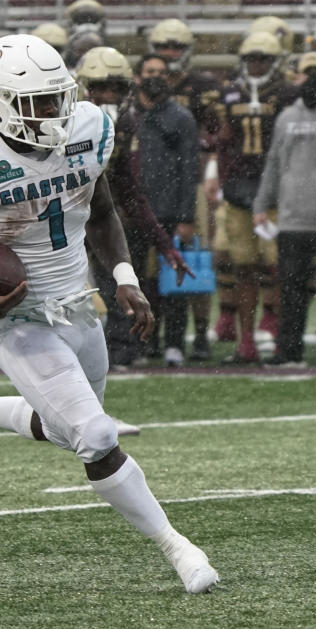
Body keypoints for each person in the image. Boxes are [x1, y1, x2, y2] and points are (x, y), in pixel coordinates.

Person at [0, 33, 218, 594]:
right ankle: (179, 548)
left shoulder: (88, 129)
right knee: (95, 434)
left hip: (80, 306)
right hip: (17, 318)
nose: (52, 112)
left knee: (69, 427)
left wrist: (126, 279)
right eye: (35, 103)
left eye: (58, 97)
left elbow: (101, 213)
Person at [76, 47, 192, 369]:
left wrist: (165, 245)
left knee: (118, 283)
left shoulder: (123, 122)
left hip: (99, 214)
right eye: (100, 86)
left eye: (116, 87)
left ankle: (118, 351)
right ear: (84, 85)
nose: (109, 94)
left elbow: (129, 189)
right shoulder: (63, 120)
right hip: (57, 214)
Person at [209, 33, 298, 364]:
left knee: (276, 267)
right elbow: (224, 141)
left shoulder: (288, 93)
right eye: (251, 59)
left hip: (276, 191)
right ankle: (246, 342)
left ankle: (275, 330)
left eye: (262, 58)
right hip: (240, 190)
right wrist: (220, 179)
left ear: (274, 61)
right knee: (243, 267)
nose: (256, 65)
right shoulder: (231, 93)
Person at [148, 18, 219, 359]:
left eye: (176, 47)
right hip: (155, 185)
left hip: (193, 181)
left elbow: (218, 136)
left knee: (193, 259)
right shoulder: (148, 86)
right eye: (164, 47)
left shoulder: (201, 86)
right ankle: (154, 335)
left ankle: (200, 334)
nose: (170, 54)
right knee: (150, 267)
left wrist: (212, 173)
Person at [251, 52, 316, 368]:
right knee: (291, 289)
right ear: (298, 77)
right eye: (309, 73)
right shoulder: (287, 117)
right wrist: (261, 204)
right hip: (293, 218)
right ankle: (289, 351)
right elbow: (274, 165)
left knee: (294, 287)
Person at [131, 54, 199, 367]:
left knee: (174, 282)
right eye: (149, 71)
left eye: (160, 71)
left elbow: (190, 170)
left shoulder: (182, 117)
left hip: (169, 210)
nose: (155, 76)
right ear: (138, 76)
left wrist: (187, 216)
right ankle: (142, 342)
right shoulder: (127, 114)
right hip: (134, 210)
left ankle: (173, 342)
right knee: (134, 281)